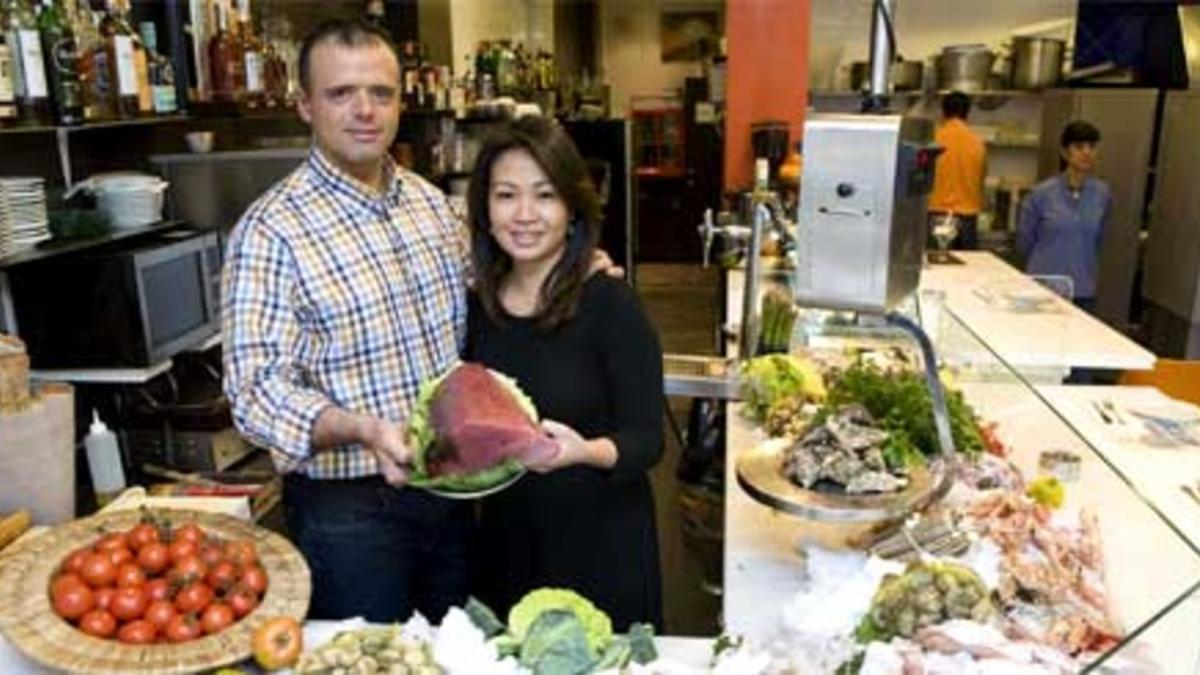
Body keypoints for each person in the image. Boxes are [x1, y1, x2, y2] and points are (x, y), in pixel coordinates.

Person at [221, 19, 472, 623]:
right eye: (341, 94)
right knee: (367, 661)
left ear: (400, 101)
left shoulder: (430, 204)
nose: (365, 110)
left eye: (381, 93)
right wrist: (362, 428)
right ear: (305, 105)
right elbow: (254, 393)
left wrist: (568, 270)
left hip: (452, 489)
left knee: (462, 651)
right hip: (349, 514)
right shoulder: (270, 231)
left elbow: (481, 297)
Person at [465, 116, 665, 632]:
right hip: (508, 542)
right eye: (507, 195)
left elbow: (647, 441)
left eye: (545, 195)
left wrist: (582, 452)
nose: (525, 215)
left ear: (573, 208)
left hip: (601, 547)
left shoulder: (609, 302)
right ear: (485, 208)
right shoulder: (475, 307)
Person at [1017, 120, 1110, 311]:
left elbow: (1099, 239)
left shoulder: (1102, 193)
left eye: (1092, 147)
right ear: (1064, 152)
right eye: (1079, 147)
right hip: (1044, 288)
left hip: (1083, 288)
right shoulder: (1041, 194)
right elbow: (1024, 242)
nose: (1087, 153)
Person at [927, 91, 987, 250]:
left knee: (936, 269)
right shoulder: (977, 143)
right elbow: (981, 181)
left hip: (936, 214)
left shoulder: (933, 140)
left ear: (943, 111)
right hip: (967, 217)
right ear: (968, 113)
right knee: (965, 271)